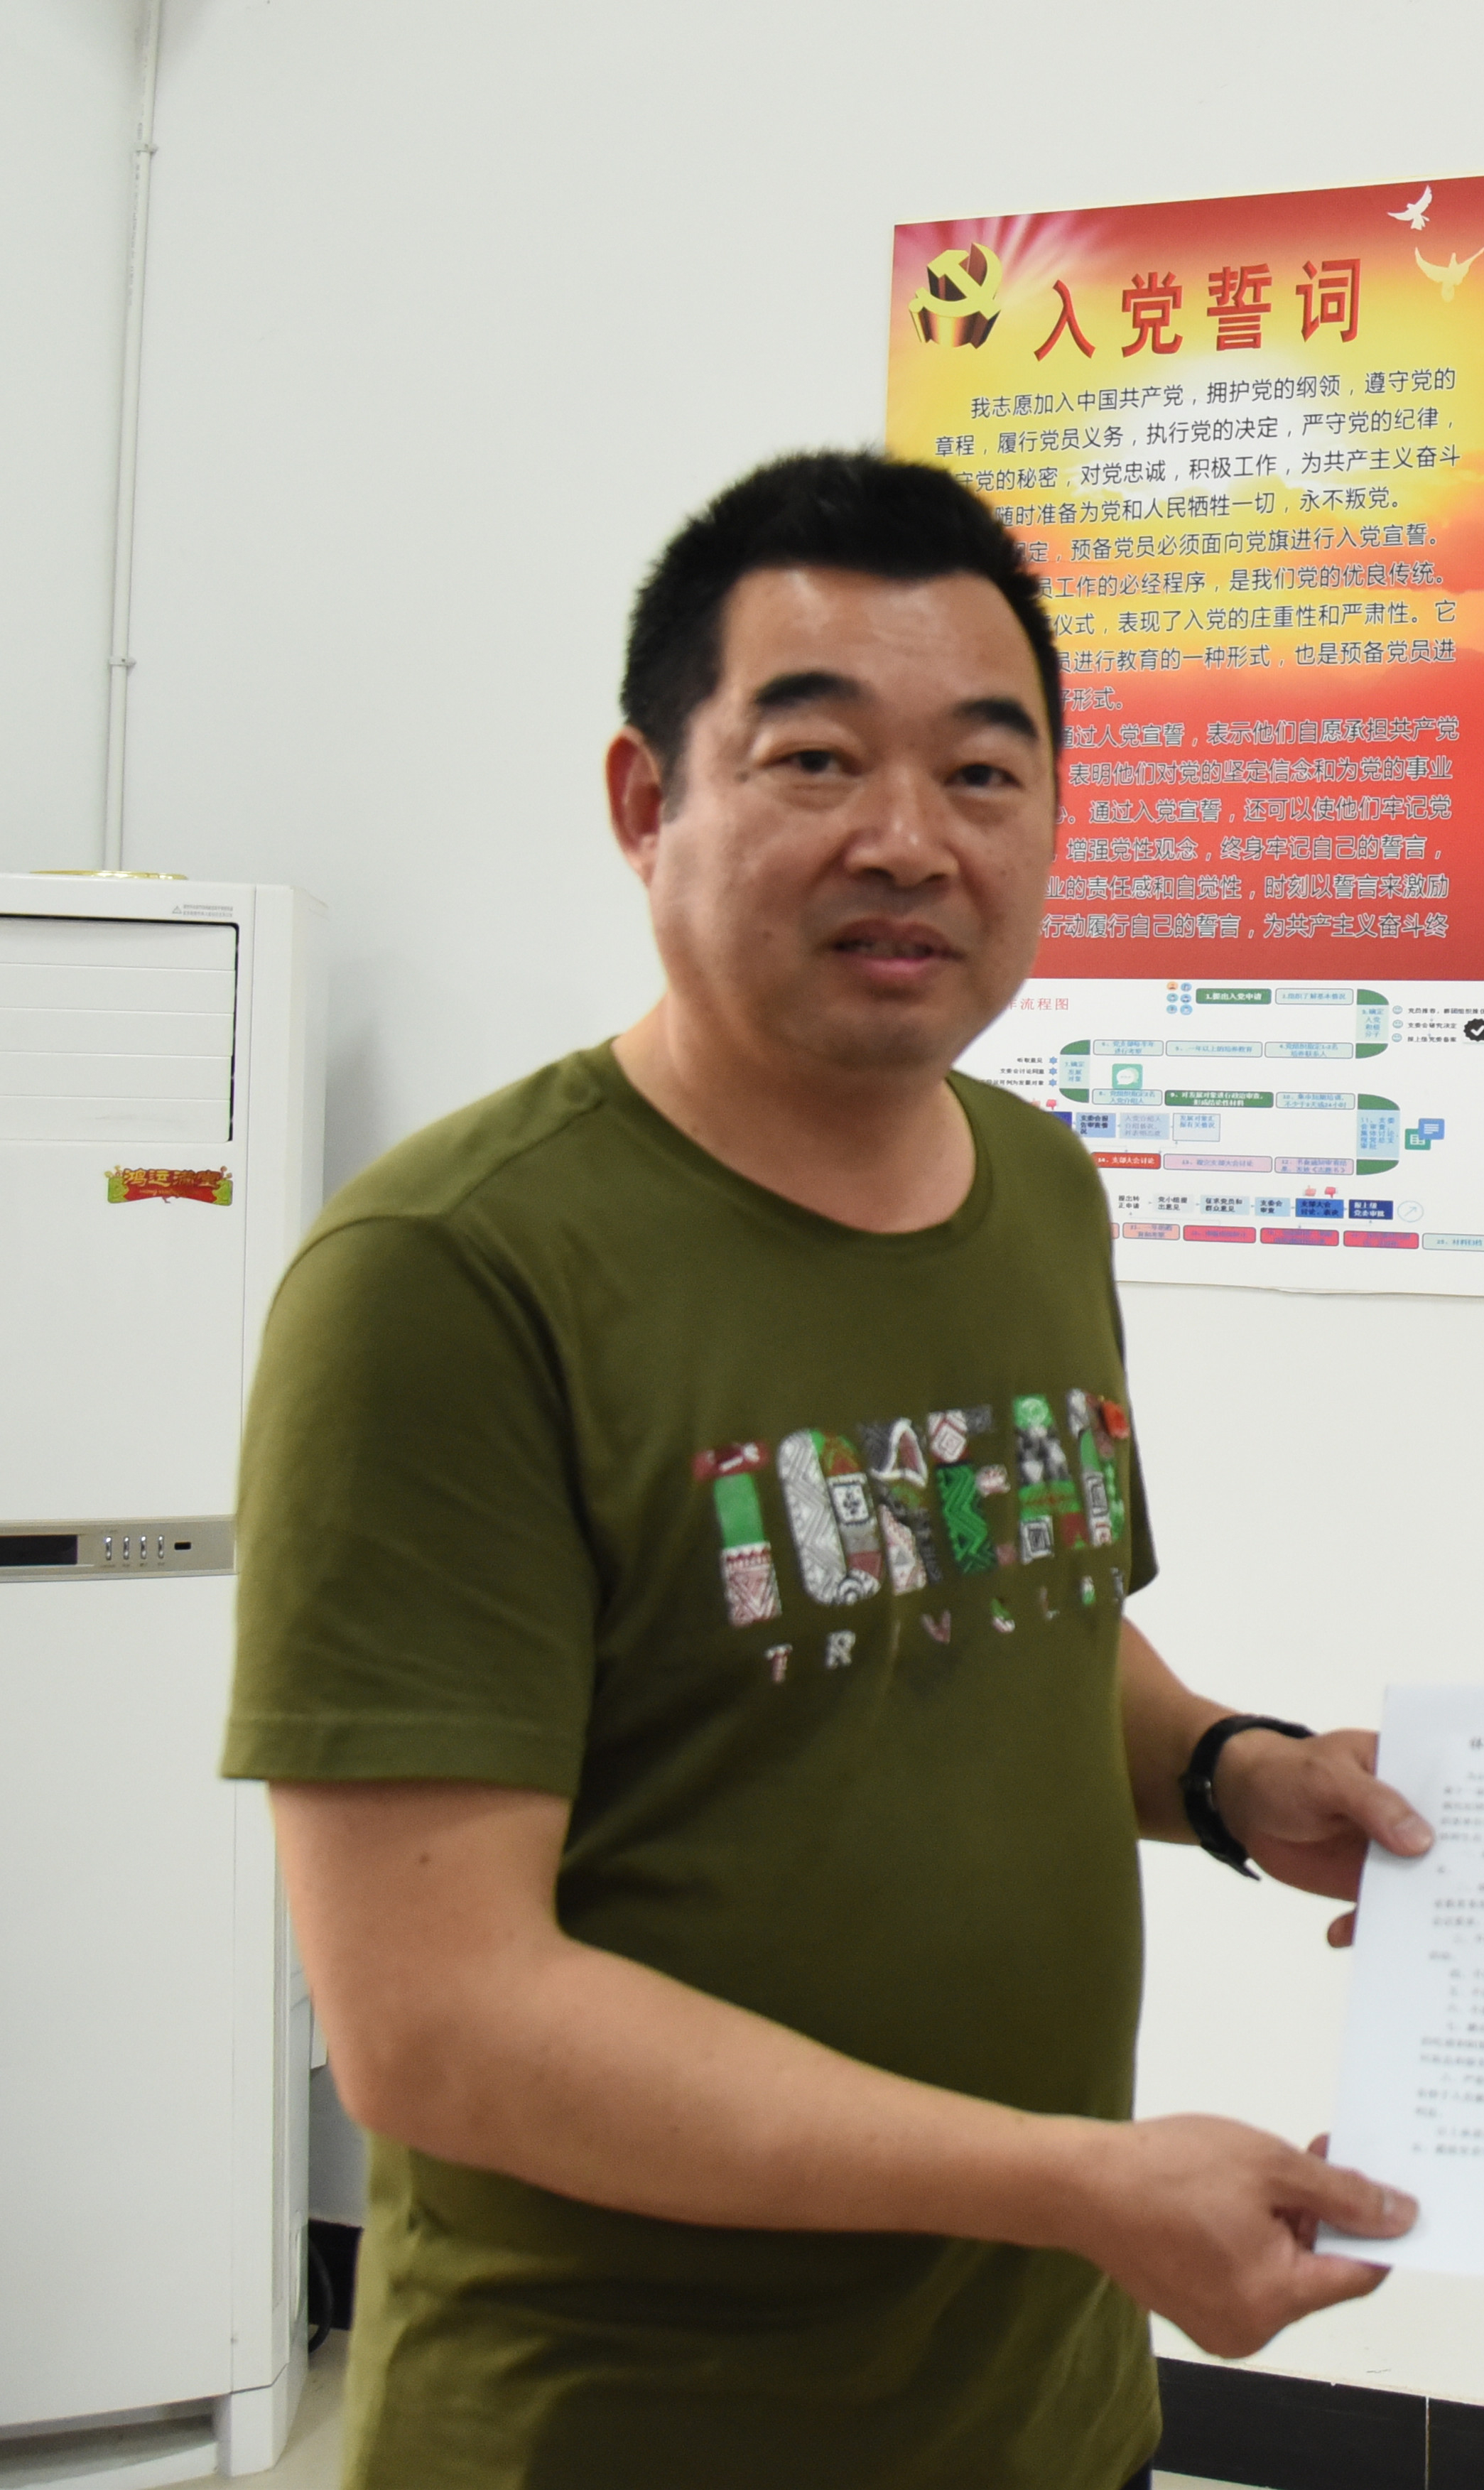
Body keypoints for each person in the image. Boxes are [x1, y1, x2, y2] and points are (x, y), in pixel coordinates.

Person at [222, 450, 1419, 2489]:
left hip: (1039, 2416)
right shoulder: (450, 1274)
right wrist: (1071, 2180)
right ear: (646, 801)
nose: (911, 840)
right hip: (621, 2439)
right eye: (815, 761)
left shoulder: (1036, 1185)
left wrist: (1233, 1773)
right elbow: (437, 2022)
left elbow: (1012, 1620)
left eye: (983, 772)